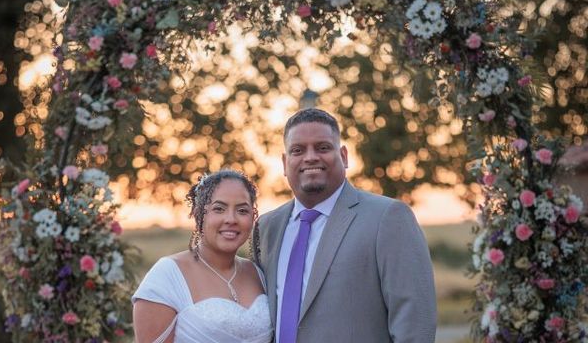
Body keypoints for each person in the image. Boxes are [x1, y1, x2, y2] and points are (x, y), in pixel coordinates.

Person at [254, 108, 437, 342]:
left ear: (344, 156)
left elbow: (415, 323)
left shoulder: (387, 218)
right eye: (298, 150)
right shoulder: (267, 227)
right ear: (284, 161)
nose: (310, 157)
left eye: (322, 147)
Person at [132, 169, 273, 343]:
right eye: (219, 209)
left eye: (242, 210)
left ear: (253, 217)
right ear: (199, 215)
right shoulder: (168, 275)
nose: (231, 219)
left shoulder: (258, 273)